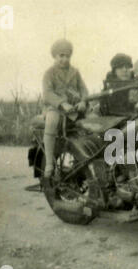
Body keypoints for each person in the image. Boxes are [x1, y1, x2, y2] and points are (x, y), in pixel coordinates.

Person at [42, 39, 89, 181]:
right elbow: (48, 93)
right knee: (51, 121)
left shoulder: (75, 72)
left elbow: (83, 89)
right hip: (55, 107)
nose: (64, 59)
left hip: (74, 108)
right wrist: (62, 104)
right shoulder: (49, 73)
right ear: (54, 56)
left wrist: (83, 101)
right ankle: (49, 162)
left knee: (93, 121)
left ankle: (85, 158)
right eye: (61, 55)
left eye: (67, 56)